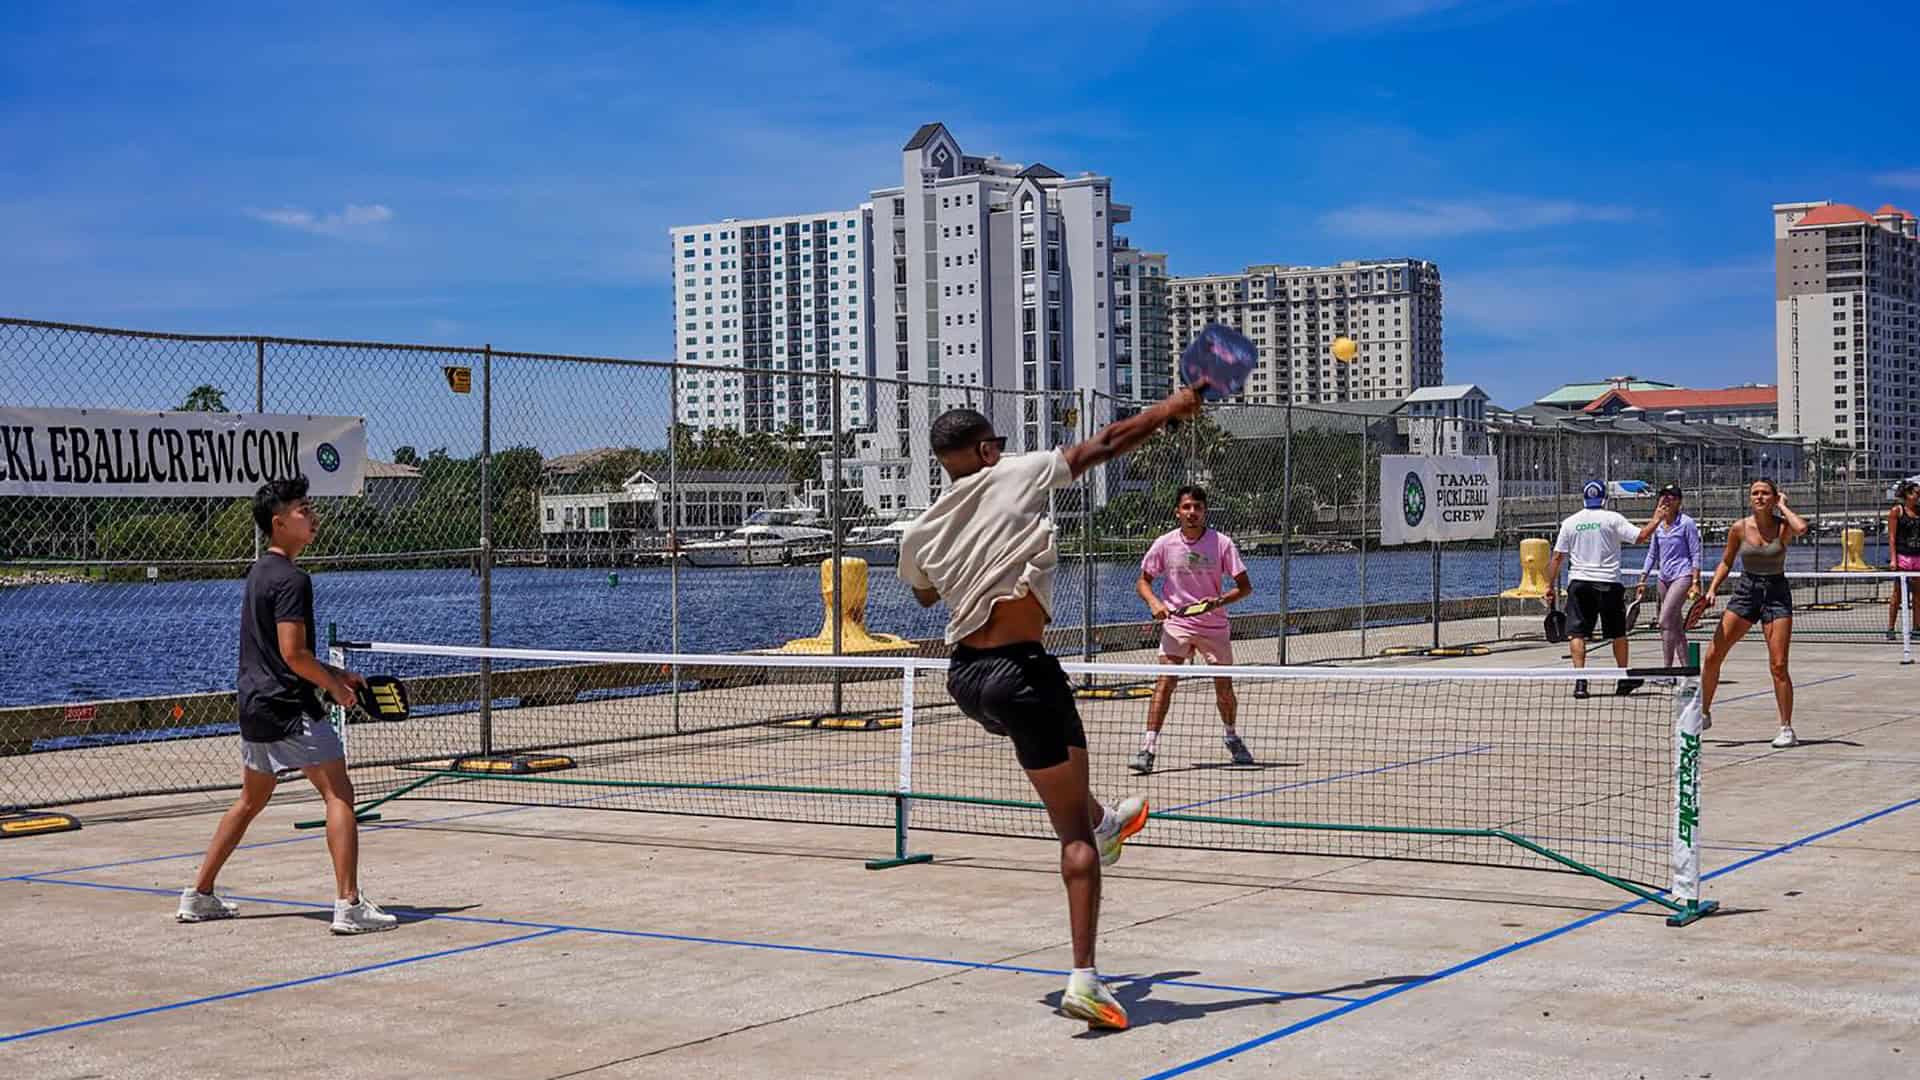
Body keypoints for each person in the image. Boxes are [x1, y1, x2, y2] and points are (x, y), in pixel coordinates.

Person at [897, 383, 1205, 1031]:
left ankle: (1105, 820)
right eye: (996, 444)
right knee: (1072, 838)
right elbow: (1105, 444)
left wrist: (970, 553)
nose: (1004, 450)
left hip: (967, 680)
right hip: (1023, 674)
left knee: (1072, 796)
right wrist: (1170, 410)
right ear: (983, 450)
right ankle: (1086, 979)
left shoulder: (921, 529)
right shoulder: (1012, 473)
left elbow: (925, 596)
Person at [177, 476, 398, 935]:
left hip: (255, 706)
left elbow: (280, 654)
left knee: (250, 800)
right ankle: (349, 904)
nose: (312, 515)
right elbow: (294, 655)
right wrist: (335, 690)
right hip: (288, 708)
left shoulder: (259, 572)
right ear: (279, 523)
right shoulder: (293, 579)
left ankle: (198, 895)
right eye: (302, 509)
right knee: (339, 793)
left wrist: (337, 676)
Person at [1130, 485, 1255, 775]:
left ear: (1205, 511)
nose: (1192, 513)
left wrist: (1218, 602)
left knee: (1224, 688)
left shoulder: (1222, 544)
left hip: (1214, 625)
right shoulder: (1164, 544)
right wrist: (1154, 603)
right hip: (1177, 624)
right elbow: (1143, 582)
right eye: (1186, 507)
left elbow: (1245, 588)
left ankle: (1231, 736)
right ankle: (1148, 748)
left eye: (1197, 507)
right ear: (1178, 511)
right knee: (1165, 681)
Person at [1700, 480, 1810, 746]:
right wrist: (1712, 589)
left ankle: (1786, 728)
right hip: (1746, 591)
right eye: (1755, 493)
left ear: (1774, 497)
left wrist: (1783, 506)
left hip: (1776, 593)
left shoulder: (1783, 527)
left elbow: (1802, 528)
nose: (1759, 497)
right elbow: (1726, 561)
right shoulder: (1739, 528)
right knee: (1713, 655)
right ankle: (1702, 712)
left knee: (1779, 664)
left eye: (1765, 493)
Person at [1544, 481, 1663, 698]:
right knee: (1618, 634)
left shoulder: (1570, 522)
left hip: (1580, 583)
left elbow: (1557, 557)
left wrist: (1549, 586)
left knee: (1577, 634)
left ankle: (1580, 682)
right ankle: (1622, 679)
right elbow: (1640, 537)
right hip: (1608, 583)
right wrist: (1656, 519)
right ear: (1605, 499)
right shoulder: (1612, 518)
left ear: (1583, 498)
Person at [1634, 484, 1703, 669]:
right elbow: (1652, 554)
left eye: (1671, 496)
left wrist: (1695, 581)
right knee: (1675, 625)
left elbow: (1695, 553)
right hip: (1663, 577)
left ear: (1678, 501)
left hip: (1682, 575)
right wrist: (1643, 578)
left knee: (1664, 620)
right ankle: (1683, 669)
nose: (1666, 499)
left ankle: (1667, 670)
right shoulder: (1657, 525)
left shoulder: (1686, 523)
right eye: (1663, 495)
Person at [1886, 480, 1920, 640]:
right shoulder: (1896, 511)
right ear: (1906, 495)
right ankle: (1891, 628)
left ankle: (1916, 628)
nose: (1918, 496)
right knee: (1897, 595)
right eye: (1915, 493)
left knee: (1918, 596)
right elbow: (1892, 537)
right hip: (1903, 557)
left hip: (1918, 557)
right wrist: (1893, 559)